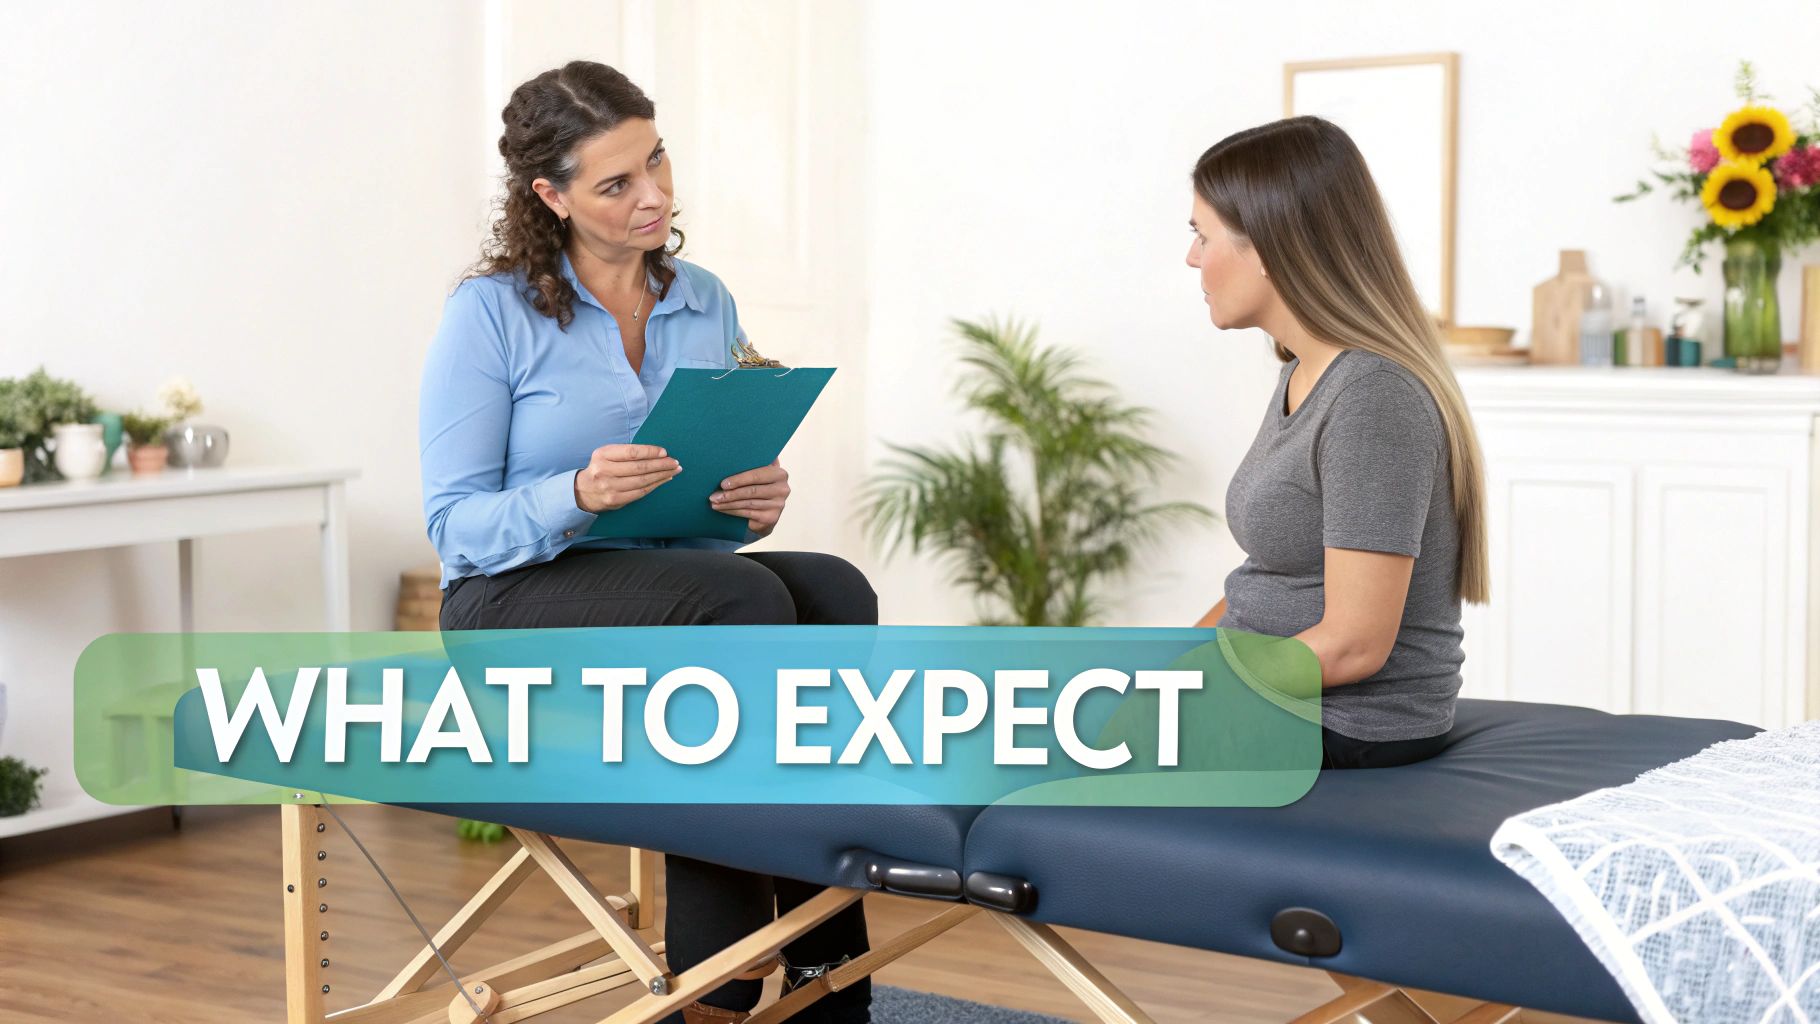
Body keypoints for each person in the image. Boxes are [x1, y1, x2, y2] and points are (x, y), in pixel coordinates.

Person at [418, 60, 872, 1024]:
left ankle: (831, 976)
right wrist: (574, 492)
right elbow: (455, 525)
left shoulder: (703, 299)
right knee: (743, 608)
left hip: (669, 591)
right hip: (508, 604)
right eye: (617, 183)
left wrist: (753, 499)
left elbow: (707, 523)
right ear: (551, 196)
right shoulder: (489, 315)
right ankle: (724, 990)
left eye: (655, 161)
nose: (654, 195)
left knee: (832, 590)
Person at [1184, 116, 1490, 770]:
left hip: (1345, 723)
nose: (1191, 259)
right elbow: (1262, 585)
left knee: (1011, 754)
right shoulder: (1306, 372)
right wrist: (1165, 670)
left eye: (1201, 236)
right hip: (1286, 702)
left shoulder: (1373, 395)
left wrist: (1189, 697)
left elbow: (1354, 645)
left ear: (1263, 247)